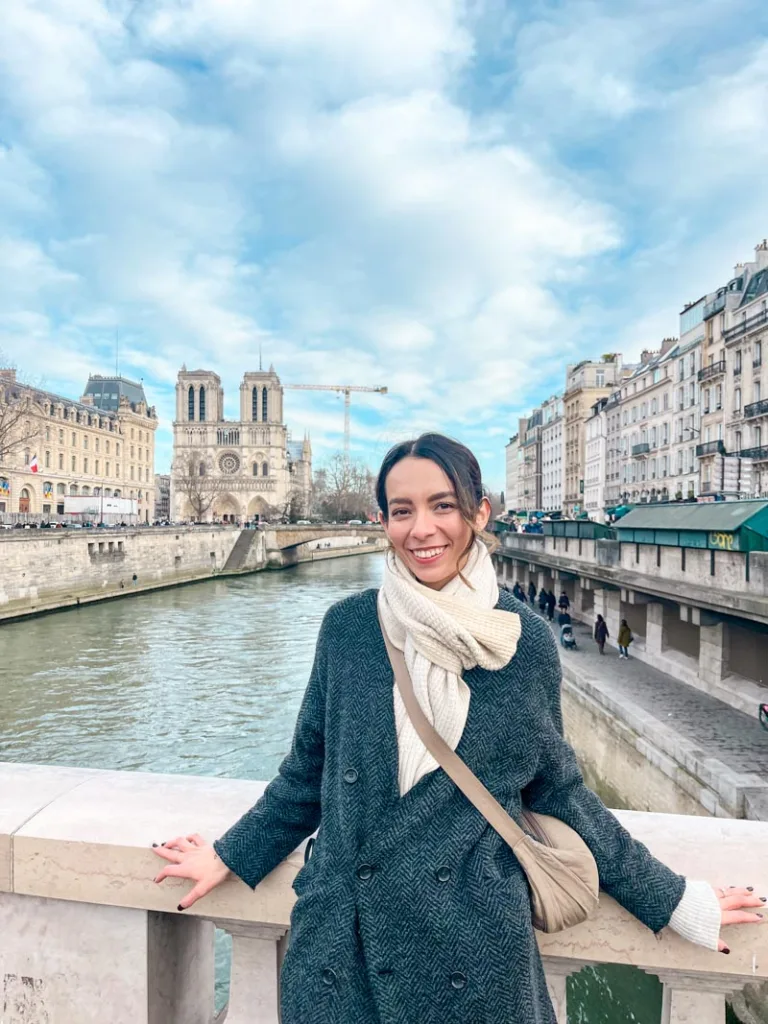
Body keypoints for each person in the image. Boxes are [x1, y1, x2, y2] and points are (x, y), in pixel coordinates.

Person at [153, 433, 762, 1024]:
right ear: (383, 522)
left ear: (479, 512)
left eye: (442, 505)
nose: (422, 529)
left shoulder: (523, 644)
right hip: (343, 948)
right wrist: (231, 854)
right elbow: (308, 773)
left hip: (473, 948)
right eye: (402, 510)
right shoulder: (349, 629)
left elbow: (560, 793)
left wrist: (674, 899)